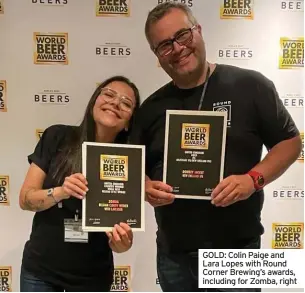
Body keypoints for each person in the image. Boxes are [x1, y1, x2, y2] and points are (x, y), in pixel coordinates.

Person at [130, 3, 303, 292]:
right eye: (164, 45)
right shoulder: (150, 109)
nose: (177, 48)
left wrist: (253, 180)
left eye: (183, 35)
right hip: (176, 255)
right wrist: (144, 186)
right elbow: (132, 166)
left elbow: (290, 141)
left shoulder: (251, 86)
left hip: (237, 250)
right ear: (157, 55)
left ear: (198, 31)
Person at [19, 75, 140, 292]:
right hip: (41, 273)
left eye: (126, 103)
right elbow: (25, 199)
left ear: (128, 122)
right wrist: (61, 191)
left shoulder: (129, 162)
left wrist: (122, 243)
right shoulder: (57, 137)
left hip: (92, 277)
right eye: (109, 95)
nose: (115, 103)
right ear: (95, 100)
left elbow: (119, 238)